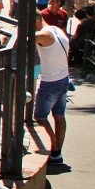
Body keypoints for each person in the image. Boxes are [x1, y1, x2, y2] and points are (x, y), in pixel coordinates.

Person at [34, 10, 71, 165]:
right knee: (59, 115)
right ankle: (57, 154)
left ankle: (54, 146)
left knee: (40, 116)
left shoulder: (44, 35)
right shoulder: (58, 30)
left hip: (50, 82)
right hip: (64, 78)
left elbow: (21, 40)